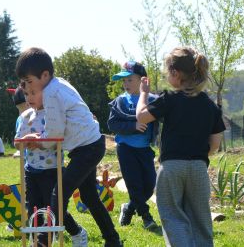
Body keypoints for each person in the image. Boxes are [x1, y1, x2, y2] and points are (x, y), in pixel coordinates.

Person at [16, 47, 122, 247]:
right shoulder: (58, 84)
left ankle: (43, 241)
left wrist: (36, 139)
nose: (29, 87)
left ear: (44, 75)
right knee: (89, 196)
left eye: (30, 82)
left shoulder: (51, 94)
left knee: (59, 192)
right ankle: (112, 239)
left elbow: (55, 134)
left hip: (88, 148)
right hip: (89, 145)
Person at [135, 47, 225, 247]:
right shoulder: (211, 106)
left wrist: (143, 94)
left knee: (173, 216)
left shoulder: (170, 99)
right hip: (199, 168)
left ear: (175, 73)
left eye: (167, 72)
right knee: (201, 221)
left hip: (172, 167)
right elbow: (215, 145)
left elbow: (141, 117)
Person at [108, 61, 159, 230]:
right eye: (124, 81)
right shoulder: (120, 101)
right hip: (125, 148)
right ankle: (146, 217)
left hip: (145, 150)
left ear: (143, 80)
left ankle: (128, 207)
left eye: (130, 80)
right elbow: (113, 124)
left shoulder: (153, 100)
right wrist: (133, 127)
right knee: (135, 184)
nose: (126, 84)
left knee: (149, 186)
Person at [16, 86, 62, 245]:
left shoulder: (53, 115)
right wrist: (26, 139)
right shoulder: (25, 116)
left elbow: (59, 139)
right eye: (27, 94)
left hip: (51, 170)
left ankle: (50, 235)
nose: (29, 97)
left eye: (33, 93)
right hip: (31, 169)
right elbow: (17, 142)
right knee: (33, 205)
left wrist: (42, 141)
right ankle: (34, 237)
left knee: (52, 205)